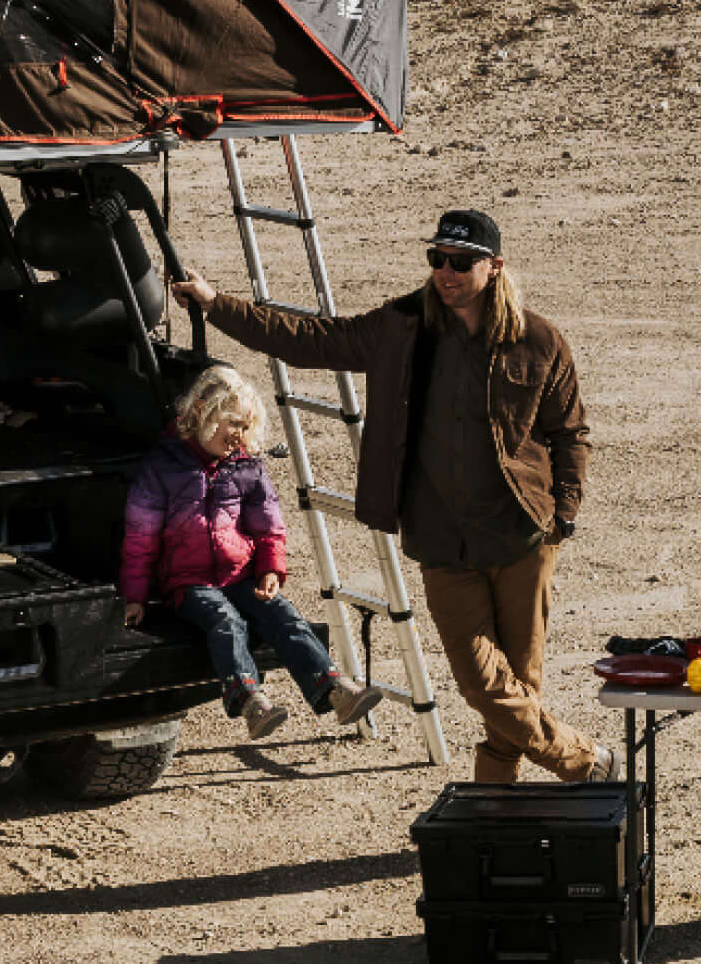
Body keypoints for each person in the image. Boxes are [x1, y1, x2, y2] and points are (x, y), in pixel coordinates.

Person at [171, 210, 596, 786]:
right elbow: (311, 341)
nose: (446, 272)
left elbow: (569, 433)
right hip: (442, 541)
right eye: (437, 259)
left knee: (521, 683)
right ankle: (587, 763)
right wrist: (216, 303)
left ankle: (495, 805)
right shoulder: (402, 325)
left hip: (521, 535)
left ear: (494, 267)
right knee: (480, 685)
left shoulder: (538, 340)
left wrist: (564, 514)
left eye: (461, 262)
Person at [119, 363, 373, 746]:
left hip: (240, 572)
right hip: (189, 582)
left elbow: (268, 524)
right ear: (202, 411)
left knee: (283, 614)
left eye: (245, 426)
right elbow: (141, 537)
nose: (239, 435)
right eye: (232, 423)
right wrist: (136, 597)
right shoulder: (163, 466)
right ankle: (250, 700)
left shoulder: (247, 467)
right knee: (225, 620)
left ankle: (333, 689)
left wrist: (271, 566)